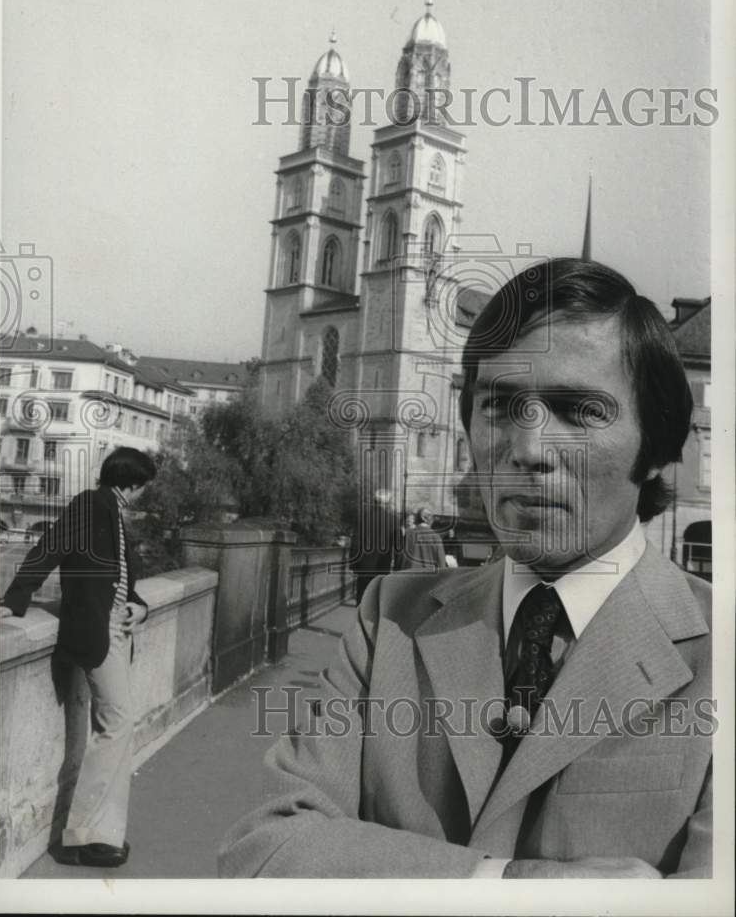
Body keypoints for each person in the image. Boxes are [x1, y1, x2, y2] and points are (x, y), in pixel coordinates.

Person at [218, 258, 711, 879]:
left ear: (660, 446)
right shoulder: (388, 619)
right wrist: (507, 883)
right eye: (501, 408)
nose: (528, 451)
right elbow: (264, 849)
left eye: (580, 411)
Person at [0, 446, 157, 868]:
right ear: (131, 483)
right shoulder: (90, 505)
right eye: (143, 487)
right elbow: (49, 547)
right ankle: (82, 838)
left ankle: (103, 834)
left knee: (119, 724)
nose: (143, 495)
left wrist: (139, 606)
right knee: (118, 722)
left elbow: (121, 579)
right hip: (95, 629)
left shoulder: (113, 515)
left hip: (117, 627)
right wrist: (15, 598)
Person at [352, 489, 401, 604]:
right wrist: (398, 565)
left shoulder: (364, 517)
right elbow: (398, 546)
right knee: (378, 595)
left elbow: (356, 542)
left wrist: (354, 564)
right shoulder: (394, 520)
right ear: (387, 503)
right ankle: (374, 619)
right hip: (383, 563)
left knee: (362, 594)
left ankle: (361, 618)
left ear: (374, 501)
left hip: (364, 563)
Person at [398, 505, 447, 571]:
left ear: (416, 519)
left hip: (409, 576)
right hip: (428, 577)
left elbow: (400, 558)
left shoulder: (408, 534)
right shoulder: (435, 537)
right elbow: (441, 563)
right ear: (431, 520)